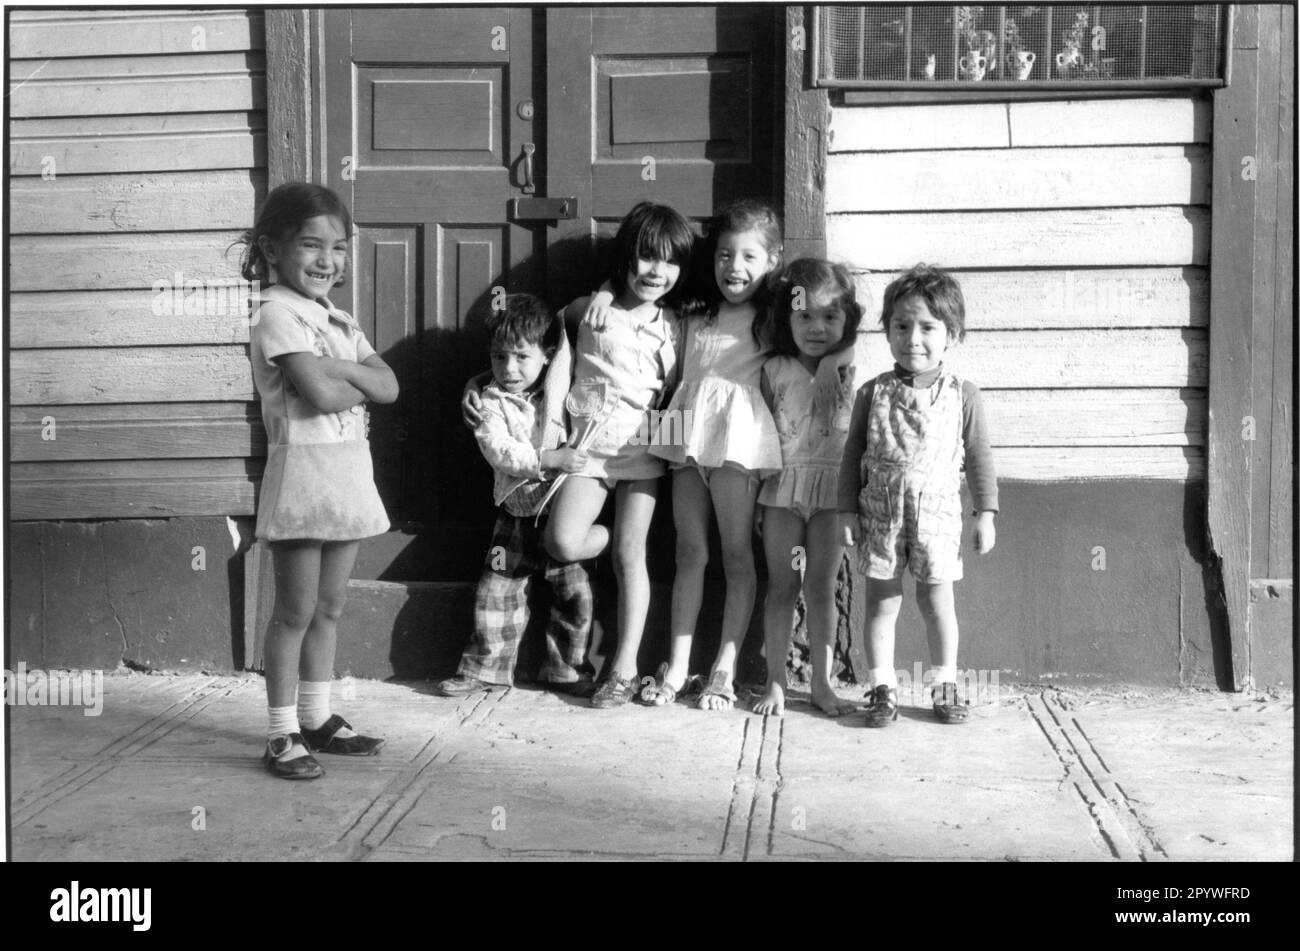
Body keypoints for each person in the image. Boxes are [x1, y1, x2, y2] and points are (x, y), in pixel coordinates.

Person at [240, 182, 399, 778]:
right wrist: (346, 367)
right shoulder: (275, 314)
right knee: (295, 611)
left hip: (349, 476)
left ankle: (317, 716)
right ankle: (282, 733)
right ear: (272, 249)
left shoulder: (336, 316)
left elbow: (390, 386)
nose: (328, 260)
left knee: (330, 607)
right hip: (304, 479)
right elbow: (325, 392)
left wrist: (343, 366)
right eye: (311, 244)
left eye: (339, 247)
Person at [543, 201, 693, 708]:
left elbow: (675, 391)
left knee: (634, 556)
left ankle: (623, 668)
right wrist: (605, 290)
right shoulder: (591, 309)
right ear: (625, 257)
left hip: (642, 454)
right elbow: (551, 338)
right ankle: (605, 543)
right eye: (647, 258)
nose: (657, 272)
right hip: (588, 450)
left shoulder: (674, 326)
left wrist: (671, 453)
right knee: (562, 540)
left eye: (670, 262)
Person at [640, 200, 785, 711]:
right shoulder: (695, 309)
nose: (735, 268)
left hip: (738, 441)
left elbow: (828, 322)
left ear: (773, 259)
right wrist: (602, 293)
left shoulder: (775, 317)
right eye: (725, 255)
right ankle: (677, 668)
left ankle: (723, 670)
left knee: (736, 554)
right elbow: (635, 299)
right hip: (685, 434)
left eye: (749, 256)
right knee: (688, 552)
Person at [838, 263, 998, 726]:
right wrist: (846, 509)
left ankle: (944, 685)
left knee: (936, 603)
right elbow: (853, 455)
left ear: (951, 334)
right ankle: (882, 687)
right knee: (882, 603)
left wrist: (985, 513)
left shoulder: (963, 394)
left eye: (927, 327)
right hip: (880, 516)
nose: (913, 339)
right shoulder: (872, 393)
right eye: (901, 326)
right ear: (887, 332)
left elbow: (980, 457)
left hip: (938, 518)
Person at [434, 294, 593, 697]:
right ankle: (484, 669)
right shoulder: (490, 402)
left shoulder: (563, 387)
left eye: (522, 357)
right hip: (514, 516)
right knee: (496, 589)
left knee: (573, 591)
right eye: (499, 357)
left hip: (559, 507)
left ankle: (567, 669)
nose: (510, 368)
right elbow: (499, 450)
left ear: (548, 356)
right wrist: (549, 457)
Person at [752, 259, 864, 717]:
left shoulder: (850, 368)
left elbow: (858, 347)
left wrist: (833, 362)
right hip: (781, 491)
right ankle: (775, 681)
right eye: (805, 316)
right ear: (787, 318)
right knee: (781, 586)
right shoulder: (774, 368)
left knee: (820, 588)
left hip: (832, 495)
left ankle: (822, 682)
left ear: (847, 321)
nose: (817, 328)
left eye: (830, 316)